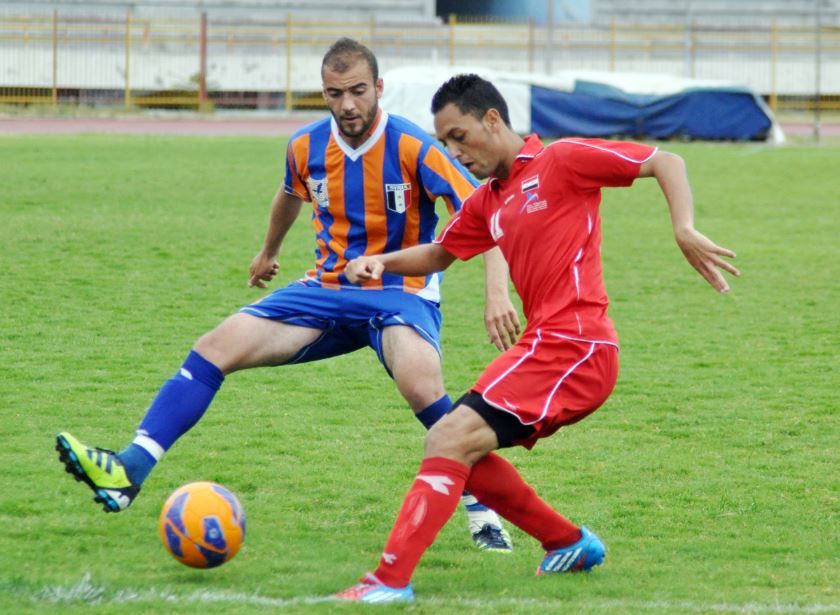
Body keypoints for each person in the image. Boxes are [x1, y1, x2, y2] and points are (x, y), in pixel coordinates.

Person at [55, 41, 521, 552]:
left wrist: (495, 294)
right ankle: (129, 470)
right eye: (335, 93)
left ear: (379, 89)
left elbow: (487, 213)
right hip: (325, 287)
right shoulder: (305, 146)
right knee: (217, 345)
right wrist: (267, 251)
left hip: (400, 291)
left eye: (358, 91)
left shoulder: (415, 146)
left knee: (419, 384)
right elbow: (289, 194)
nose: (347, 105)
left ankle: (483, 505)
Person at [334, 73, 741, 602]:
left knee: (448, 437)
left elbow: (666, 160)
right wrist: (379, 263)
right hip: (547, 345)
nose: (455, 151)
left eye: (459, 136)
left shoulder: (563, 160)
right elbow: (439, 254)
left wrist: (683, 227)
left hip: (578, 345)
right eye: (444, 142)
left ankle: (388, 582)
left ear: (493, 120)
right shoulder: (489, 202)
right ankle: (567, 542)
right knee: (461, 447)